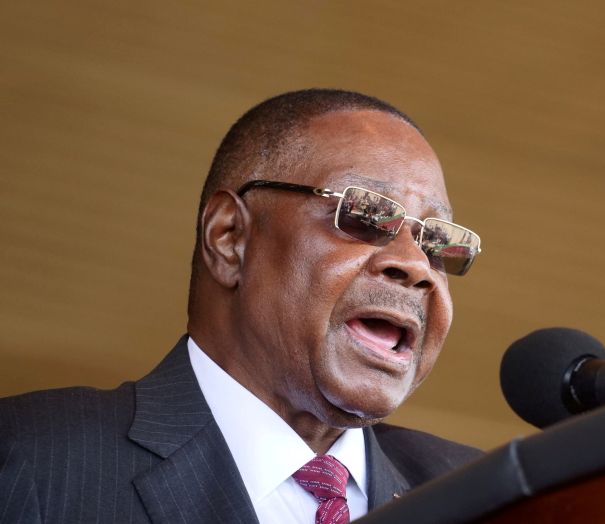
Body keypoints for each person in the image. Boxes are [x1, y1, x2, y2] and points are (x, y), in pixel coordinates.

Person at [0, 89, 483, 523]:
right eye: (366, 214)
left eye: (436, 241)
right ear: (229, 236)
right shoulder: (31, 458)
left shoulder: (485, 497)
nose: (415, 265)